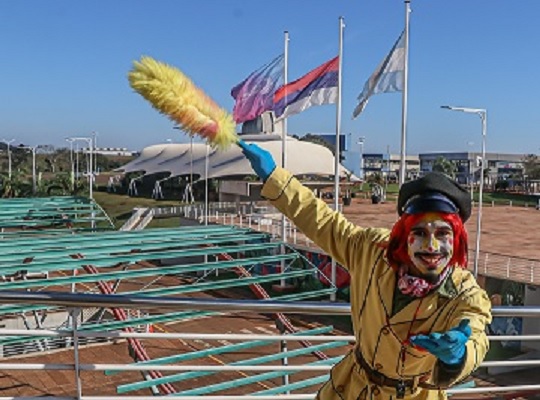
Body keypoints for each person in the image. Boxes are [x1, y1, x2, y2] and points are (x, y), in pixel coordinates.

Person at [239, 140, 492, 400]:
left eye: (443, 233)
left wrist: (458, 357)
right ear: (405, 235)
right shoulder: (371, 251)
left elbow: (475, 334)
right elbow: (322, 222)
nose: (431, 245)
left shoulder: (464, 293)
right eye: (419, 233)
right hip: (351, 387)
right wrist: (275, 177)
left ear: (457, 239)